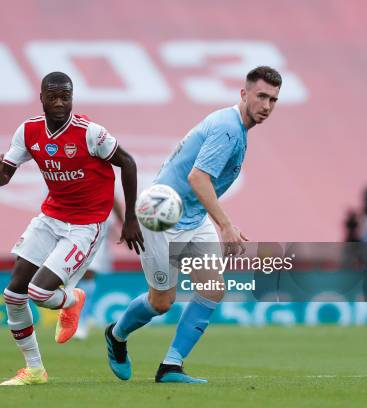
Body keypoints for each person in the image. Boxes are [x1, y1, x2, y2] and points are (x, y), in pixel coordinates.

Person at [105, 66, 282, 383]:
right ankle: (116, 336)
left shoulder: (236, 129)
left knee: (213, 289)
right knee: (161, 302)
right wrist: (226, 225)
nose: (267, 106)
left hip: (192, 217)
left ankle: (170, 367)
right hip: (161, 217)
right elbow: (197, 178)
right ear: (243, 94)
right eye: (261, 96)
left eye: (273, 99)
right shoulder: (228, 128)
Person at [0, 72, 143, 386]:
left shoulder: (90, 133)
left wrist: (130, 218)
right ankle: (34, 370)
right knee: (13, 295)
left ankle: (72, 300)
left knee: (39, 292)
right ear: (41, 97)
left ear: (72, 98)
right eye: (53, 97)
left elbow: (128, 162)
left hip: (86, 225)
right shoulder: (28, 131)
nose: (60, 103)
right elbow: (5, 177)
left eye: (65, 97)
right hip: (51, 217)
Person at [74, 200, 124, 340]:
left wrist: (125, 224)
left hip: (96, 226)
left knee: (88, 273)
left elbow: (112, 197)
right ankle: (75, 318)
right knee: (72, 275)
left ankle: (81, 322)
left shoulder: (103, 180)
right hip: (72, 224)